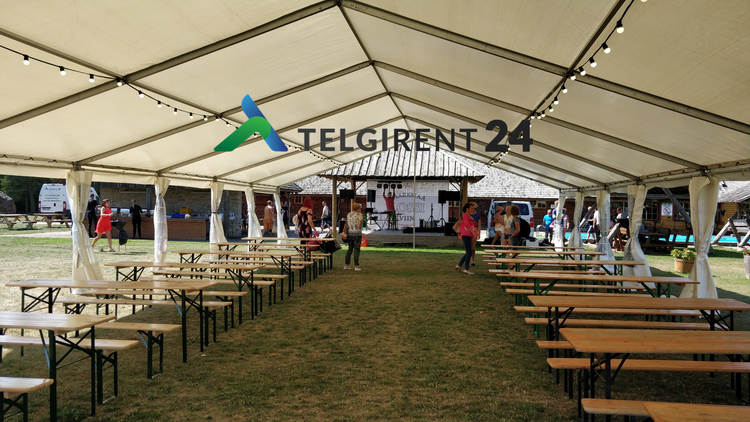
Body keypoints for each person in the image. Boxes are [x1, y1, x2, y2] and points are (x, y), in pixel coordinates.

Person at [455, 202, 478, 274]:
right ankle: (466, 269)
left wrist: (474, 232)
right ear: (467, 209)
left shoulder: (468, 215)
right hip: (466, 235)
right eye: (471, 208)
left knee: (468, 252)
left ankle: (459, 265)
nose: (473, 209)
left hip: (468, 235)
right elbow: (467, 225)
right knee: (469, 252)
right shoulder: (465, 215)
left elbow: (473, 225)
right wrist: (473, 232)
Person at [343, 202, 363, 271]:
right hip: (357, 234)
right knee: (356, 250)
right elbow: (360, 225)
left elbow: (346, 225)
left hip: (350, 234)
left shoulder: (349, 214)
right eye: (359, 208)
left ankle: (346, 265)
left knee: (350, 249)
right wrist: (360, 222)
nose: (360, 209)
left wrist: (344, 232)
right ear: (358, 208)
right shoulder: (359, 214)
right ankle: (356, 266)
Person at [470, 202, 481, 266]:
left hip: (474, 231)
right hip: (468, 231)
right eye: (472, 206)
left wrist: (479, 233)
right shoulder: (467, 213)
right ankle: (467, 259)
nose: (473, 208)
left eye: (474, 207)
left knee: (473, 247)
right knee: (468, 247)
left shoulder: (477, 214)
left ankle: (473, 260)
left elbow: (479, 225)